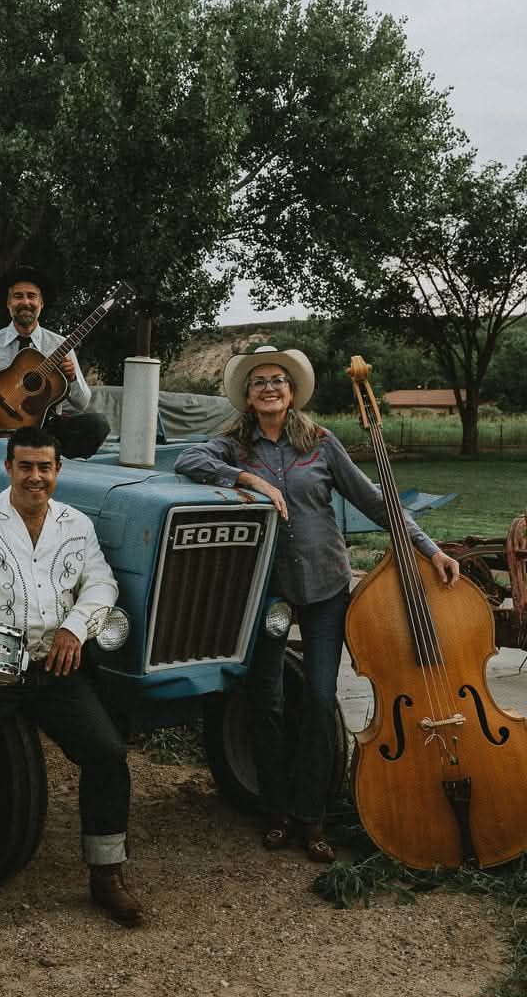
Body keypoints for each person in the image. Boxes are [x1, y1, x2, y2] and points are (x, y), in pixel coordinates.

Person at [174, 345, 461, 863]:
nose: (268, 387)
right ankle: (276, 809)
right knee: (267, 699)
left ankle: (312, 816)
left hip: (327, 587)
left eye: (277, 380)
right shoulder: (233, 445)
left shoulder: (321, 444)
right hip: (269, 592)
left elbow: (377, 500)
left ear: (291, 392)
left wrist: (430, 548)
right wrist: (248, 478)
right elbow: (186, 459)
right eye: (258, 381)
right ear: (247, 394)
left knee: (319, 697)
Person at [0, 425, 142, 943]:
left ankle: (105, 873)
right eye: (25, 466)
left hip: (54, 664)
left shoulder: (76, 523)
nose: (35, 477)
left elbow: (101, 582)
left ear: (57, 470)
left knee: (107, 751)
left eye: (44, 467)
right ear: (8, 469)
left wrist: (76, 627)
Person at [0, 264, 110, 459]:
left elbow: (82, 403)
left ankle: (52, 467)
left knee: (97, 424)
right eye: (18, 296)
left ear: (41, 304)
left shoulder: (61, 345)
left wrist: (72, 378)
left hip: (44, 430)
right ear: (8, 303)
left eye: (32, 296)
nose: (25, 302)